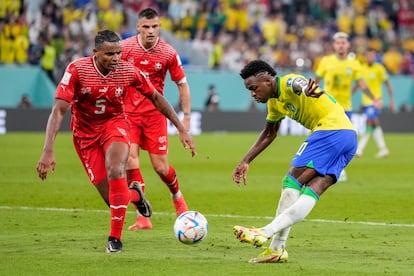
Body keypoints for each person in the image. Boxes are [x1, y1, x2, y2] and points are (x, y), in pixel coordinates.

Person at [36, 30, 196, 253]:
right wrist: (48, 150)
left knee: (116, 168)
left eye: (118, 53)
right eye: (109, 54)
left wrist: (180, 127)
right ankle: (135, 194)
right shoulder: (77, 70)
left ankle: (115, 239)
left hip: (115, 124)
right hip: (85, 135)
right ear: (95, 53)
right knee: (113, 201)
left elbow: (156, 98)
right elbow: (58, 109)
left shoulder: (127, 70)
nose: (116, 58)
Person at [231, 60, 357, 263]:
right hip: (348, 137)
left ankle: (267, 235)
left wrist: (305, 89)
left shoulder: (288, 81)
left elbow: (298, 85)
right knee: (312, 189)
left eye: (254, 88)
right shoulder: (274, 103)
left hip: (329, 130)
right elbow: (269, 133)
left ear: (267, 80)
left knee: (291, 182)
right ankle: (276, 251)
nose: (252, 94)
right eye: (249, 90)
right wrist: (245, 161)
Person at [121, 8, 193, 230]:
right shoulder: (125, 49)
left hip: (155, 116)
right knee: (130, 159)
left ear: (160, 27)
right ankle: (142, 217)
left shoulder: (168, 53)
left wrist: (186, 118)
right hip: (128, 115)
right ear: (138, 27)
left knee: (161, 167)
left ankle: (178, 200)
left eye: (154, 27)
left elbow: (182, 84)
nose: (151, 31)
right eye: (146, 27)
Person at [315, 32, 380, 181]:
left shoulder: (354, 63)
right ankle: (321, 166)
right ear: (334, 45)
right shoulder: (326, 61)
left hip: (345, 107)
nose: (341, 45)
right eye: (338, 42)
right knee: (325, 138)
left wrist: (373, 98)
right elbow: (316, 81)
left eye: (343, 42)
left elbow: (362, 84)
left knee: (344, 140)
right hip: (327, 106)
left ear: (348, 45)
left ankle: (338, 169)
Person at [355, 49, 395, 158]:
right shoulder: (361, 68)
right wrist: (352, 92)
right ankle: (383, 149)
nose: (370, 58)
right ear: (365, 56)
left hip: (376, 101)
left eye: (372, 56)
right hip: (365, 101)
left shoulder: (379, 68)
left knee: (370, 121)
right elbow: (359, 83)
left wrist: (392, 100)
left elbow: (387, 84)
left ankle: (359, 149)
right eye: (368, 55)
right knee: (373, 124)